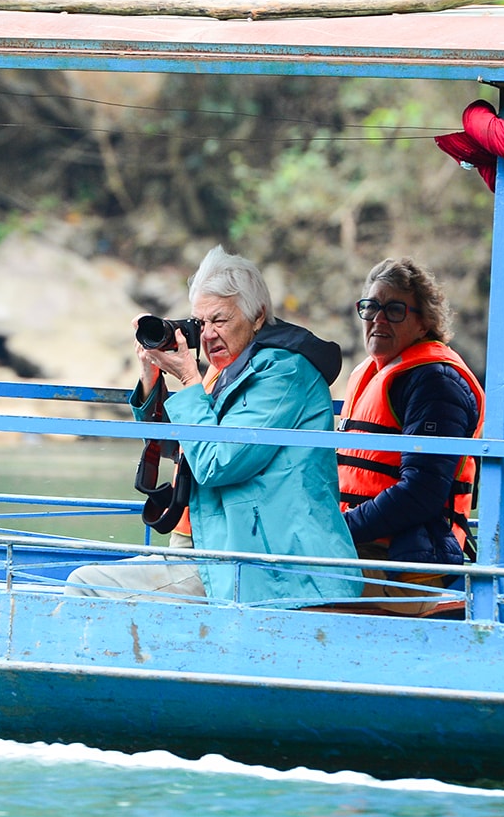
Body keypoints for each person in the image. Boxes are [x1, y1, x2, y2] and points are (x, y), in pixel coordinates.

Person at [66, 246, 362, 606]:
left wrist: (190, 378)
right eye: (199, 323)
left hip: (267, 563)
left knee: (86, 584)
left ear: (257, 317)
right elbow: (176, 448)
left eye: (219, 321)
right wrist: (151, 375)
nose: (206, 336)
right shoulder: (227, 371)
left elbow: (216, 464)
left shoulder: (284, 373)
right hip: (221, 546)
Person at [336, 259, 483, 616]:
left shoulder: (436, 382)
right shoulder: (371, 372)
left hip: (408, 560)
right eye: (371, 307)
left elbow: (422, 493)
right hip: (364, 545)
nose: (378, 319)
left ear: (424, 322)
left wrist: (338, 530)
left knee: (283, 586)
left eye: (395, 309)